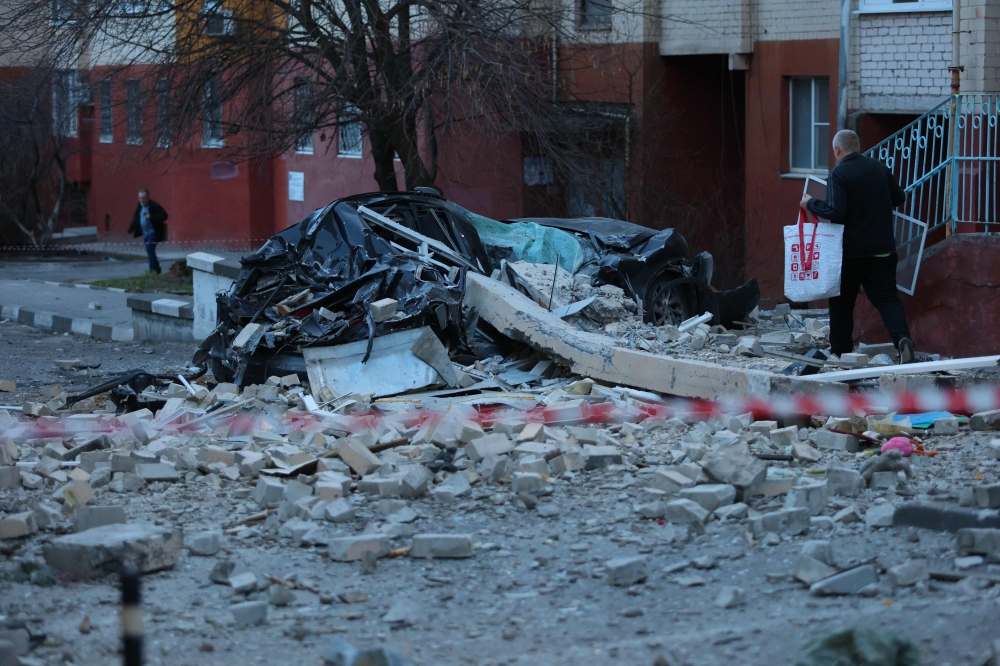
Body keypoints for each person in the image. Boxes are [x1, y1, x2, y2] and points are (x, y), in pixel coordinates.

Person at [800, 129, 916, 364]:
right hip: (883, 250)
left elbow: (836, 212)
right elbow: (899, 197)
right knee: (887, 299)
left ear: (837, 149)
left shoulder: (839, 174)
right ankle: (903, 340)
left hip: (851, 253)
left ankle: (841, 352)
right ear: (858, 146)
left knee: (841, 302)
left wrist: (810, 203)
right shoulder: (879, 168)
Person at [128, 189, 168, 274]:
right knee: (150, 250)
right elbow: (136, 217)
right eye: (140, 198)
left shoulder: (154, 206)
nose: (142, 200)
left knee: (149, 249)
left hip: (153, 232)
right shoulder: (140, 206)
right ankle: (157, 269)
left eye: (144, 198)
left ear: (148, 197)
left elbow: (164, 216)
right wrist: (131, 229)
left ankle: (152, 270)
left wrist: (151, 217)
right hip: (145, 233)